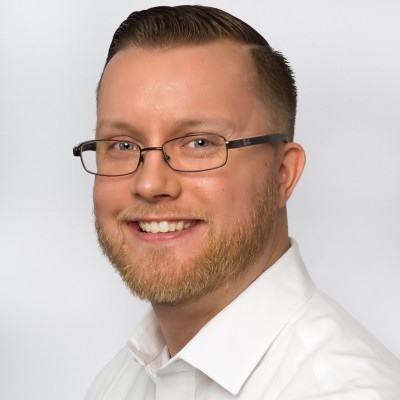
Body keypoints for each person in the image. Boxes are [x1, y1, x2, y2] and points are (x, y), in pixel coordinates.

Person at [73, 5, 400, 399]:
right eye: (123, 145)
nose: (150, 183)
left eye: (199, 143)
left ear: (283, 173)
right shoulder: (118, 382)